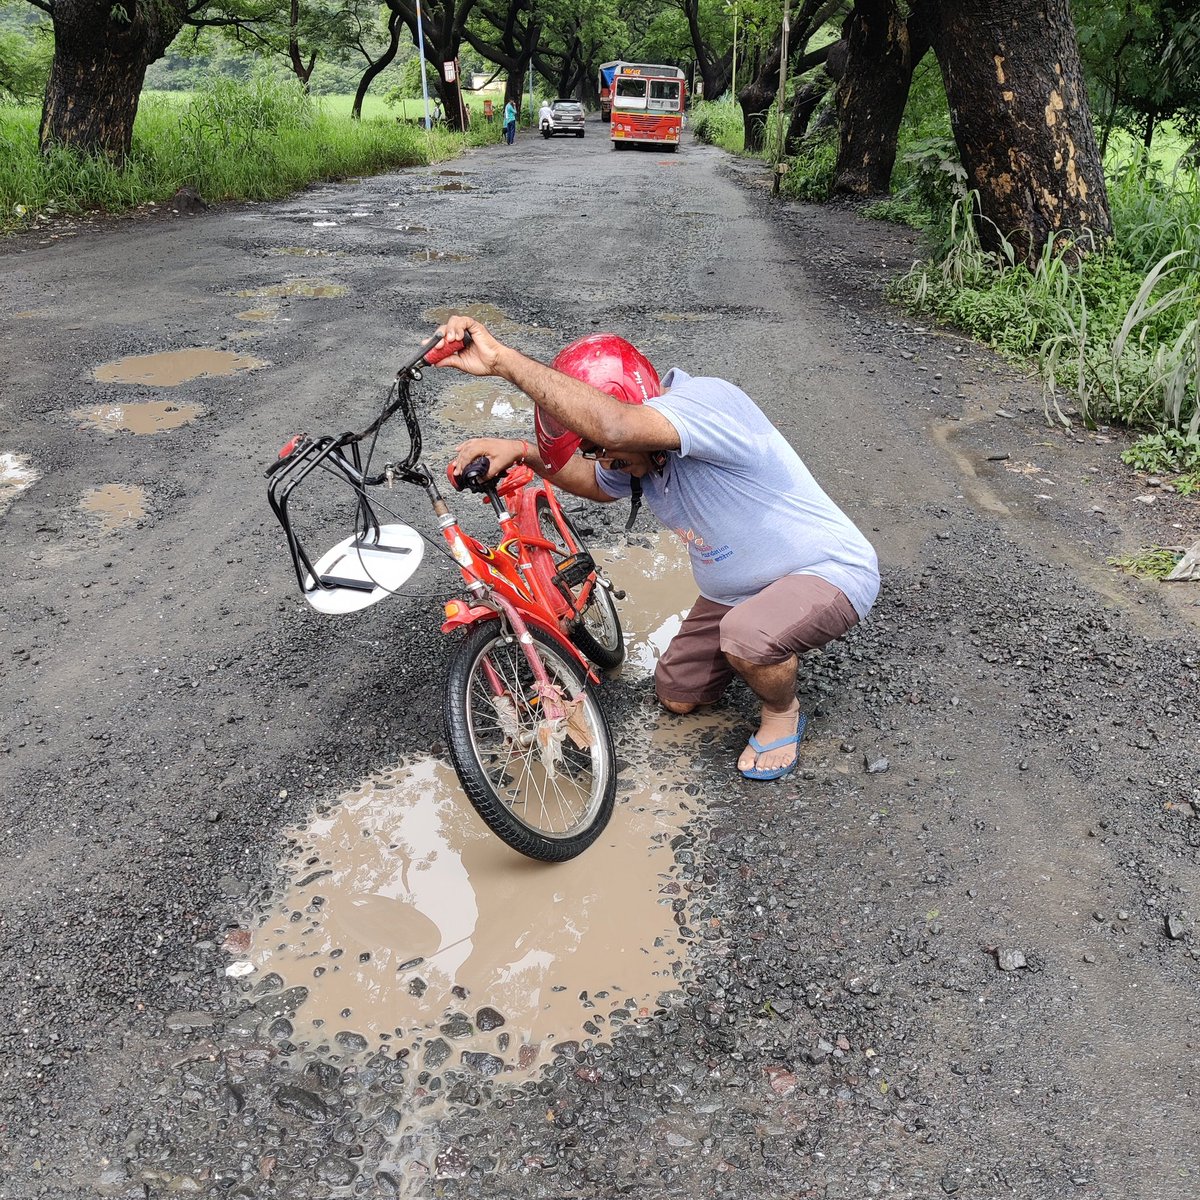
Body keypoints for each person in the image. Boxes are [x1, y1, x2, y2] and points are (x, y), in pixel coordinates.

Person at [433, 317, 880, 783]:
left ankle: (782, 710)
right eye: (592, 450)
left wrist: (501, 361)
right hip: (735, 594)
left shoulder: (706, 402)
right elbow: (597, 483)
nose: (603, 459)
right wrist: (524, 451)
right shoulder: (636, 455)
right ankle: (765, 641)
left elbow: (616, 427)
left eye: (600, 447)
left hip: (825, 570)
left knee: (748, 637)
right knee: (677, 692)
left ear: (635, 403)